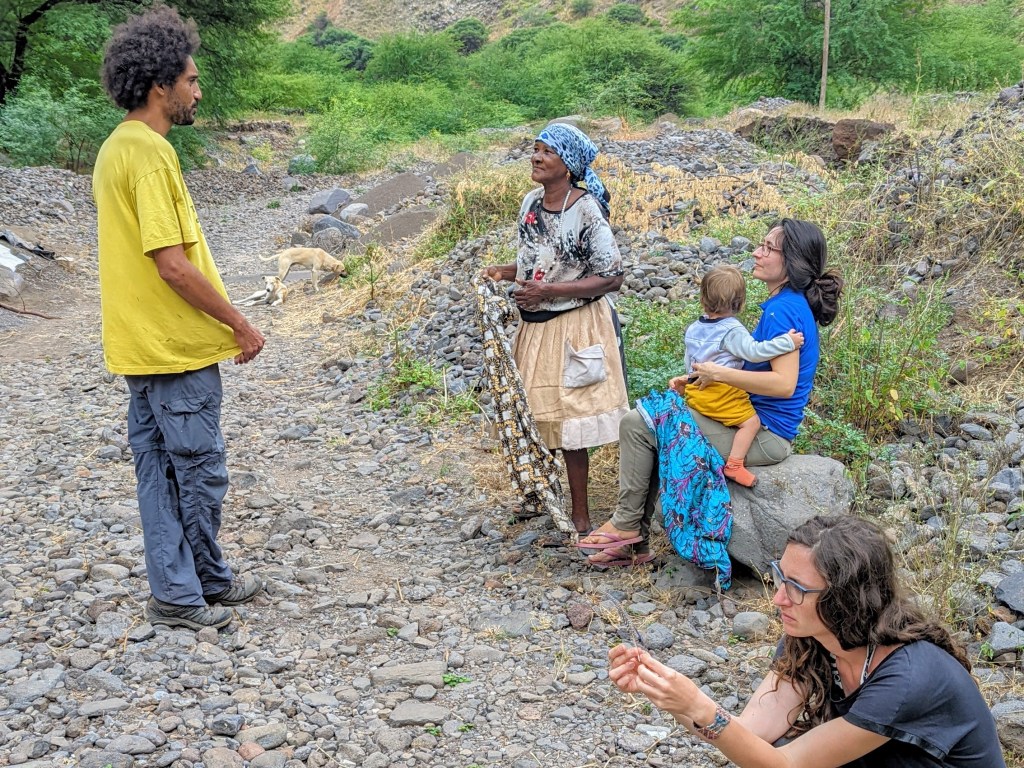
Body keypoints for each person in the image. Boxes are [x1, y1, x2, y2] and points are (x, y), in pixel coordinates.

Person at [94, 6, 265, 631]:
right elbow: (171, 265)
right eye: (191, 80)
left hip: (141, 347)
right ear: (159, 84)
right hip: (174, 348)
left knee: (159, 471)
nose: (198, 92)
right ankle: (183, 593)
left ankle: (196, 584)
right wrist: (239, 323)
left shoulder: (116, 147)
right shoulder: (149, 153)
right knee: (197, 473)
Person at [608, 515, 1007, 767]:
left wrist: (699, 705)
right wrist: (665, 692)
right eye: (779, 577)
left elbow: (784, 765)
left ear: (846, 598)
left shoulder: (906, 677)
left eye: (796, 587)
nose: (778, 598)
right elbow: (750, 735)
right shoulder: (810, 638)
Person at [578, 219, 842, 567]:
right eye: (760, 244)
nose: (757, 253)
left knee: (639, 424)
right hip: (749, 418)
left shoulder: (784, 310)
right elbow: (750, 368)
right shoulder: (786, 303)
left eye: (768, 248)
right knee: (655, 421)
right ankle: (633, 542)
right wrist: (699, 378)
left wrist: (719, 373)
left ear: (792, 261)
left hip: (765, 433)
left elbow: (784, 384)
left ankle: (627, 526)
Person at [482, 123, 629, 535]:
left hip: (576, 326)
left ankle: (581, 515)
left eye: (547, 152)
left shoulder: (586, 210)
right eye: (535, 149)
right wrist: (504, 272)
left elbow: (612, 276)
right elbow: (539, 260)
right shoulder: (531, 203)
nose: (536, 157)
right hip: (536, 325)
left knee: (571, 422)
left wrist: (547, 291)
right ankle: (541, 495)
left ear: (568, 165)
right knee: (535, 414)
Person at [677, 264, 803, 488]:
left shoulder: (694, 328)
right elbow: (754, 352)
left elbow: (690, 361)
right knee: (751, 423)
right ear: (740, 303)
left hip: (698, 392)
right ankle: (735, 464)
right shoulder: (732, 330)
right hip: (722, 393)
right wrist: (787, 342)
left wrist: (688, 380)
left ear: (702, 299)